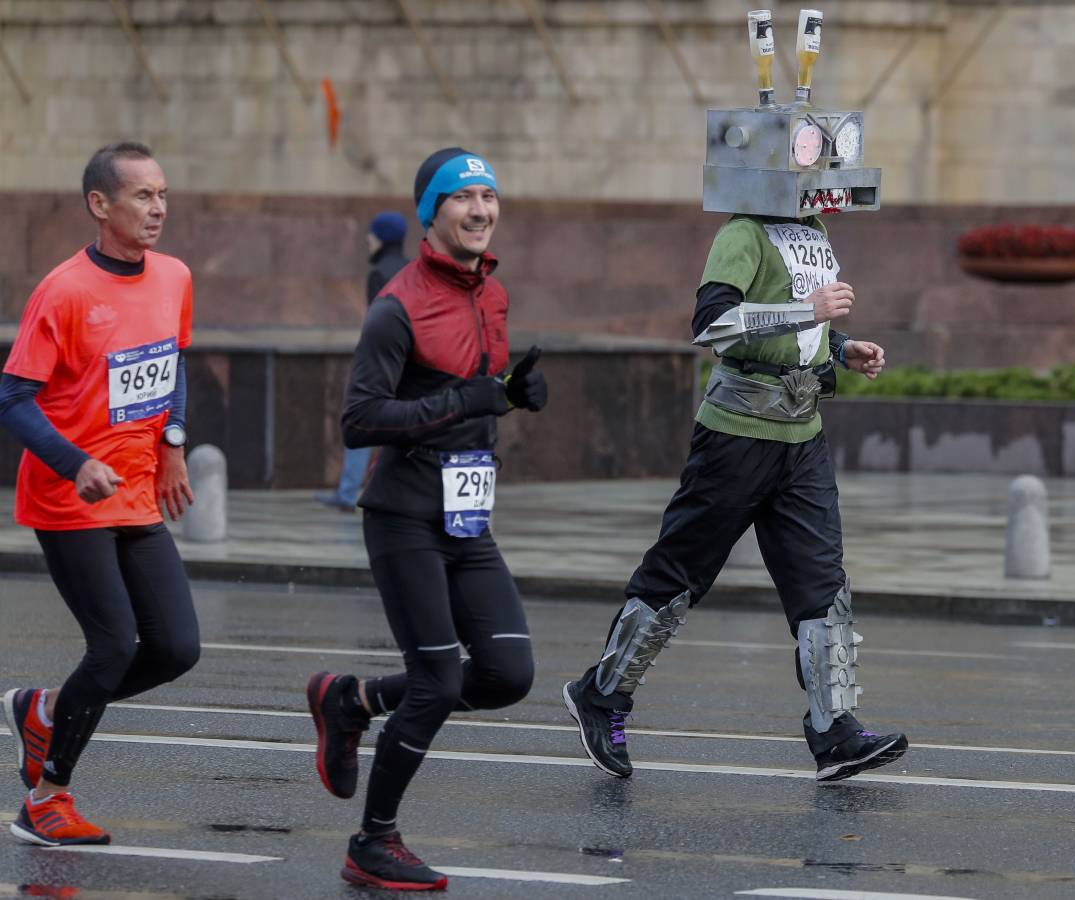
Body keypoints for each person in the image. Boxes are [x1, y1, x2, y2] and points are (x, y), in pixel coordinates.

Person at [561, 17, 909, 785]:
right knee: (681, 574)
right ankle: (601, 693)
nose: (823, 174)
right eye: (808, 155)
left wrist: (841, 351)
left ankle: (834, 729)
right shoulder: (741, 233)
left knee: (822, 586)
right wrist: (810, 317)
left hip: (800, 435)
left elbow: (801, 323)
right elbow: (713, 326)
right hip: (736, 436)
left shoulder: (813, 226)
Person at [305, 148, 548, 891]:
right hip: (404, 515)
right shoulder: (396, 306)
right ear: (430, 213)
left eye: (488, 196)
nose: (480, 210)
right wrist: (472, 401)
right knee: (438, 681)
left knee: (507, 673)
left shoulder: (492, 294)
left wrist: (511, 394)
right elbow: (360, 420)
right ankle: (372, 843)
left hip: (468, 519)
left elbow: (476, 390)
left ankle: (354, 700)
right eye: (462, 198)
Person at [0, 142, 199, 846]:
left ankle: (44, 709)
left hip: (139, 493)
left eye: (163, 195)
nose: (158, 210)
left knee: (176, 648)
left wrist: (172, 445)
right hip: (70, 500)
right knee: (113, 646)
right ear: (100, 205)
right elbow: (15, 399)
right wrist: (75, 461)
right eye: (143, 197)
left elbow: (172, 363)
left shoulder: (173, 276)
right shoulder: (64, 290)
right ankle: (46, 799)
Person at [315, 211, 408, 511]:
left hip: (382, 363)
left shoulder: (379, 272)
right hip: (409, 361)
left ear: (381, 237)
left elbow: (376, 323)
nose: (368, 239)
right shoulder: (410, 269)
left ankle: (347, 492)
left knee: (362, 419)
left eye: (372, 234)